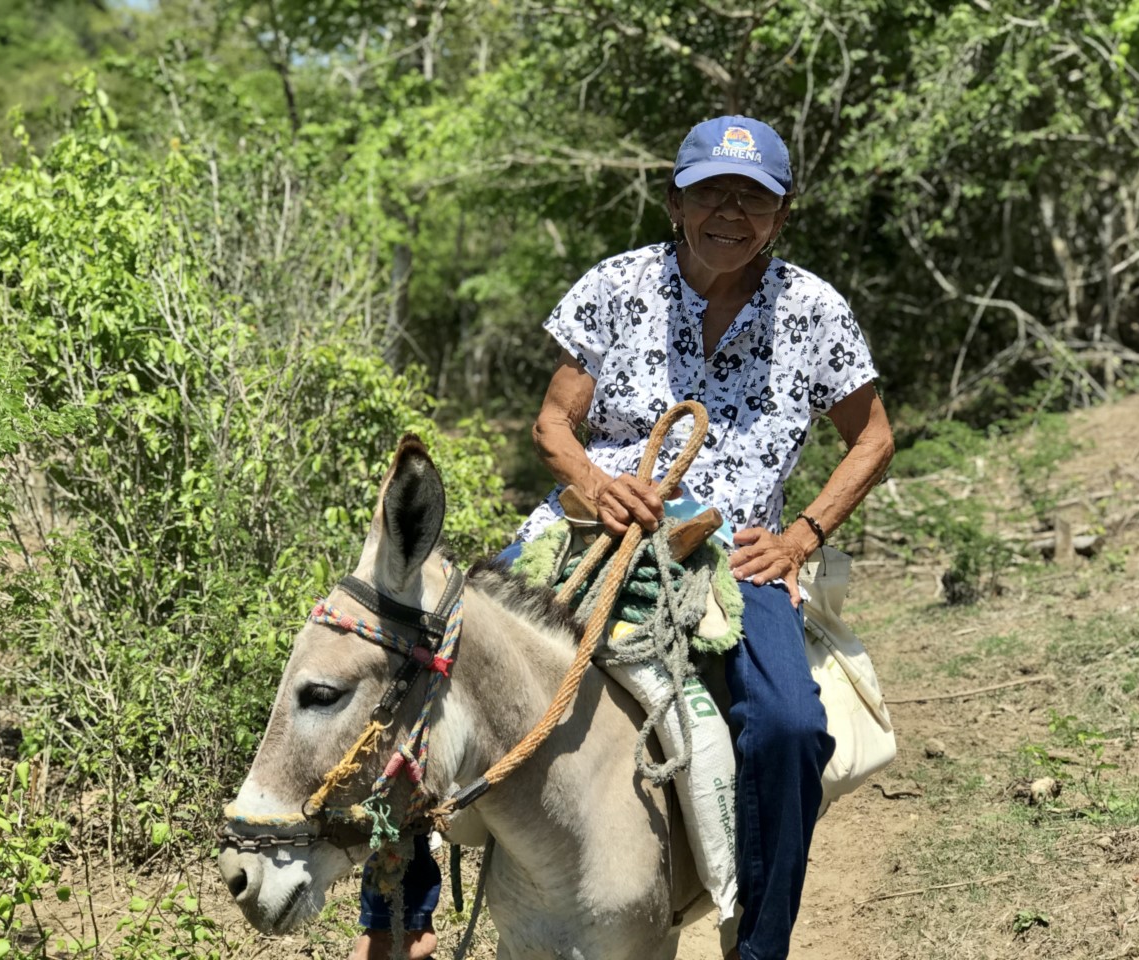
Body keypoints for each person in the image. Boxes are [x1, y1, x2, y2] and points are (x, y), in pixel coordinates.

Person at [355, 114, 894, 960]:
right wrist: (598, 484)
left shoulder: (815, 310)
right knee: (425, 657)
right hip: (589, 523)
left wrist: (800, 537)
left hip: (735, 553)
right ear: (674, 200)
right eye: (711, 189)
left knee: (790, 727)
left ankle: (761, 945)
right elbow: (553, 426)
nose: (730, 209)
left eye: (753, 197)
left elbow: (874, 438)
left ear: (781, 215)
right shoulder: (617, 285)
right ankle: (399, 917)